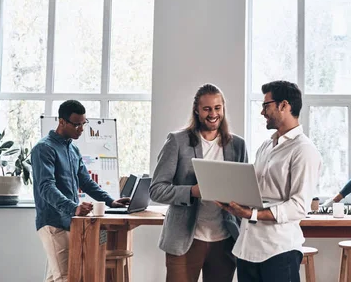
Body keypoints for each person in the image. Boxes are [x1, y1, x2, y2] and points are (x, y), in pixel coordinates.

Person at [218, 80, 322, 282]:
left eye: (266, 105)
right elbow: (255, 190)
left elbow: (299, 206)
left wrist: (252, 213)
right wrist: (230, 198)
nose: (262, 112)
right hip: (247, 248)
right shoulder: (266, 146)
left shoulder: (304, 150)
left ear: (284, 105)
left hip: (279, 251)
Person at [149, 83, 248, 282]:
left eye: (217, 108)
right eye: (207, 109)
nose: (213, 114)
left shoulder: (237, 145)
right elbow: (156, 190)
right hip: (185, 239)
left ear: (223, 109)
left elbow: (243, 190)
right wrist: (192, 191)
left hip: (225, 239)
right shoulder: (177, 141)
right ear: (196, 110)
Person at [32, 100, 129, 282]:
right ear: (62, 122)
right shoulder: (44, 148)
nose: (81, 129)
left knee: (56, 277)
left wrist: (111, 201)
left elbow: (85, 181)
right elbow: (46, 187)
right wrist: (73, 207)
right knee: (67, 277)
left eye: (83, 124)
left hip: (70, 220)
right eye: (76, 124)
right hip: (53, 221)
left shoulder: (73, 148)